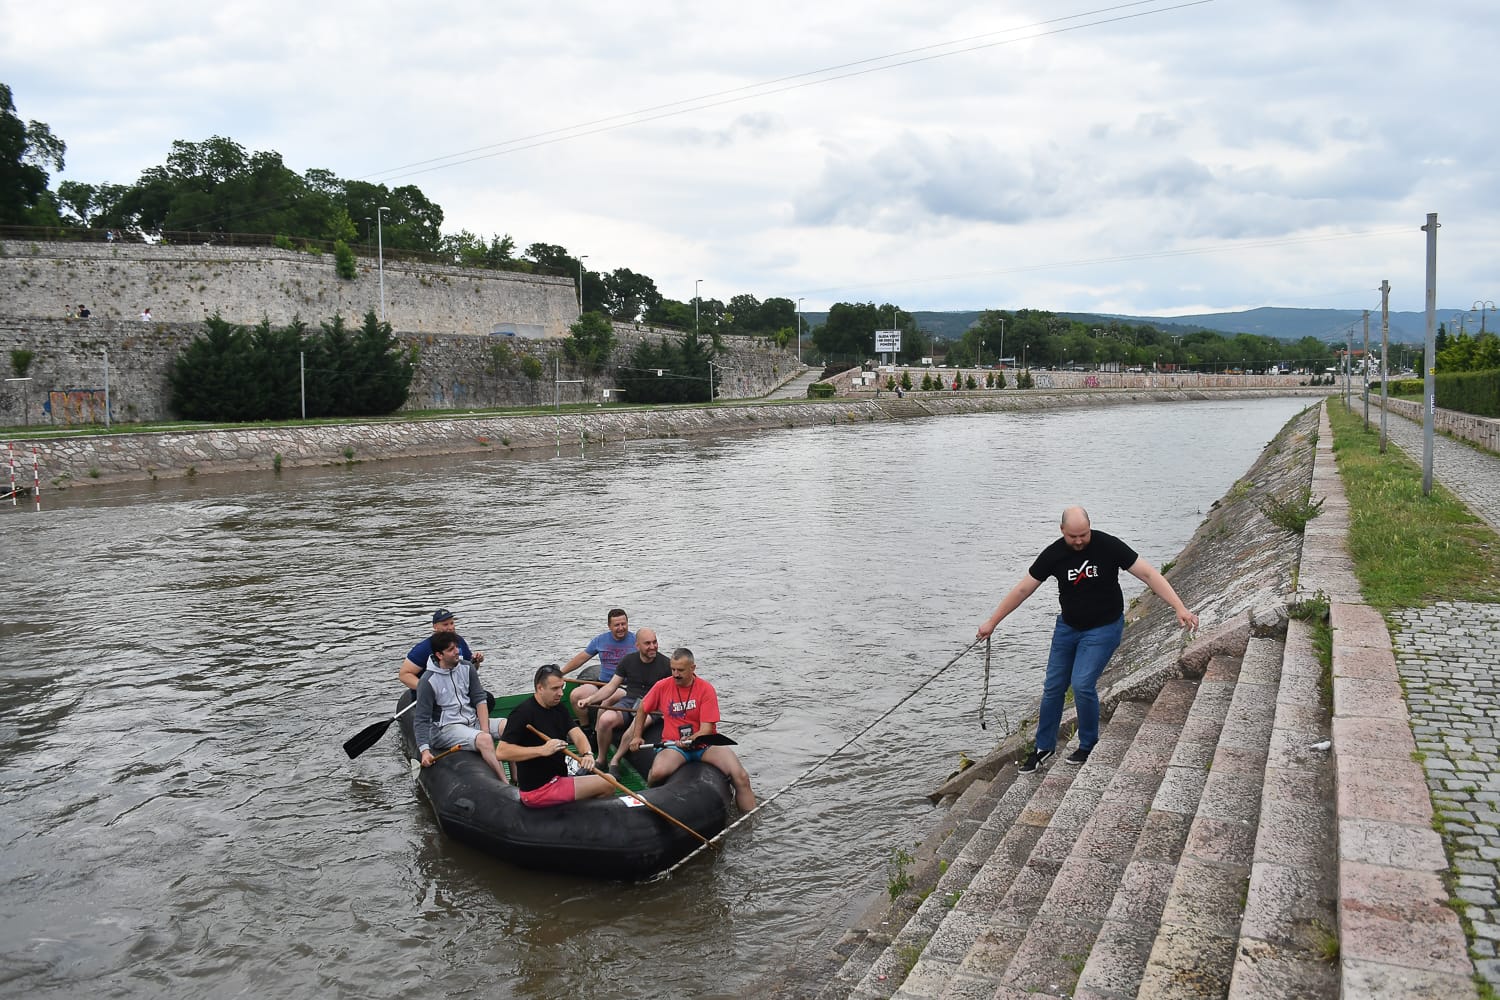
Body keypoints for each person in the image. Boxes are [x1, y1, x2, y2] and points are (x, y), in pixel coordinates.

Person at [977, 506, 1198, 773]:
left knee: (1082, 684)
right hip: (1068, 628)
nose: (1079, 541)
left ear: (1090, 527)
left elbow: (1148, 574)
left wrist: (1179, 607)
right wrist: (992, 622)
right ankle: (1043, 747)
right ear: (1062, 531)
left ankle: (1088, 743)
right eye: (1073, 536)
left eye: (1084, 534)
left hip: (1104, 628)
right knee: (1053, 688)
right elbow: (1024, 589)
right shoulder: (1054, 554)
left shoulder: (1109, 546)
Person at [622, 647, 756, 812]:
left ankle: (749, 819)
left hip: (704, 744)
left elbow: (706, 729)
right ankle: (647, 799)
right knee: (657, 773)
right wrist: (637, 736)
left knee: (741, 777)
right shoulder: (662, 686)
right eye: (673, 669)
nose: (676, 674)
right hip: (674, 745)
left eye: (681, 670)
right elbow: (643, 708)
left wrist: (691, 739)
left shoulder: (706, 689)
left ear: (692, 668)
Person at [496, 665, 615, 807]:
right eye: (555, 689)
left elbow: (576, 734)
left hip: (558, 779)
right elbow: (501, 752)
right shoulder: (522, 713)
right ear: (540, 688)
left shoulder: (557, 707)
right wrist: (541, 750)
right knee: (608, 783)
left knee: (604, 779)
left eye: (561, 687)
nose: (560, 693)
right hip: (538, 790)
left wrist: (587, 754)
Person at [414, 631, 508, 784]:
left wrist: (484, 729)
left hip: (471, 720)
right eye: (451, 649)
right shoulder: (427, 681)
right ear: (439, 655)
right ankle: (506, 784)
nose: (457, 651)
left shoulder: (467, 667)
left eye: (456, 647)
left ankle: (517, 778)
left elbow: (480, 699)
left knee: (509, 726)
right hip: (445, 728)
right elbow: (421, 719)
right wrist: (424, 751)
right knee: (484, 740)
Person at [576, 627, 672, 771]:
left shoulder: (666, 665)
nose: (652, 647)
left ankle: (615, 761)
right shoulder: (628, 661)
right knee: (605, 719)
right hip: (630, 700)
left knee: (635, 725)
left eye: (655, 642)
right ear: (637, 645)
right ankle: (601, 759)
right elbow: (611, 687)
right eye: (647, 643)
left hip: (653, 706)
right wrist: (590, 700)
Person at [560, 608, 635, 725]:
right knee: (576, 695)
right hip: (602, 683)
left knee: (608, 699)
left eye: (623, 624)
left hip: (624, 687)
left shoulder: (636, 641)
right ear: (609, 626)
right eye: (617, 625)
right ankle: (585, 728)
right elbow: (581, 658)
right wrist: (560, 673)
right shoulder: (600, 640)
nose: (621, 628)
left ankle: (597, 734)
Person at [400, 608, 484, 690]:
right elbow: (404, 675)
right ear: (435, 627)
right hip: (431, 695)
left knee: (488, 698)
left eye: (452, 623)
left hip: (457, 690)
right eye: (445, 624)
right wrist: (428, 689)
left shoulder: (460, 641)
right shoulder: (424, 648)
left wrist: (476, 661)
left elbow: (470, 669)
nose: (450, 627)